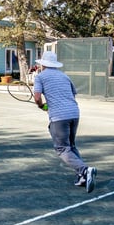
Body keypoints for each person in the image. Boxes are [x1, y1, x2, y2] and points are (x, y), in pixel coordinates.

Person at [32, 51, 97, 192]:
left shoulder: (40, 77)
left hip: (59, 117)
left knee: (62, 148)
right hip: (74, 113)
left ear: (42, 64)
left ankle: (84, 170)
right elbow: (72, 94)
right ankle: (83, 177)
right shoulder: (64, 76)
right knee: (71, 146)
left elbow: (37, 97)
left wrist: (42, 106)